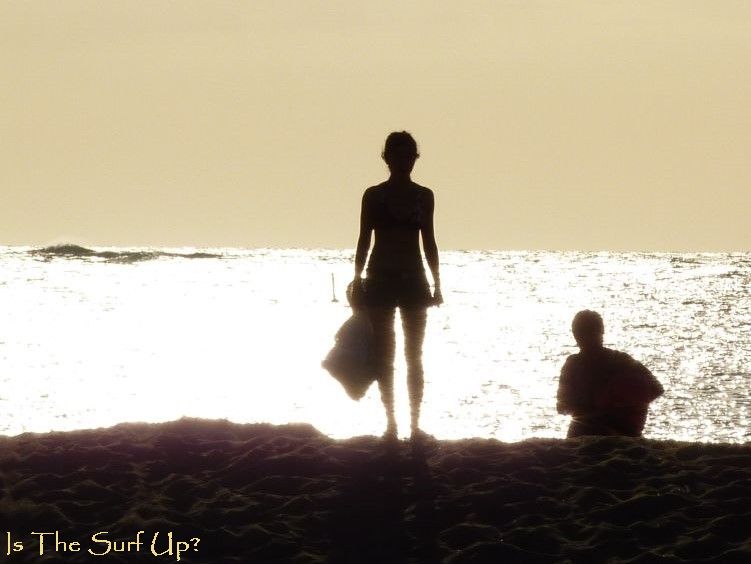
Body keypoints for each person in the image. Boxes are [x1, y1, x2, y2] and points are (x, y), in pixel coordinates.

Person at [353, 131, 442, 440]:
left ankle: (415, 424)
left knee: (414, 355)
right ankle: (391, 423)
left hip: (414, 281)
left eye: (408, 157)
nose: (404, 163)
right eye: (398, 157)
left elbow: (429, 240)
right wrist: (356, 278)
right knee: (384, 354)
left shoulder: (424, 195)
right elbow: (364, 239)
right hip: (379, 279)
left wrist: (437, 282)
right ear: (387, 159)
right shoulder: (373, 196)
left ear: (414, 159)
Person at [556, 310, 664, 438]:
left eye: (587, 332)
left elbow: (562, 407)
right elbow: (656, 389)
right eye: (583, 333)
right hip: (607, 431)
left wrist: (616, 405)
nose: (585, 338)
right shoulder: (621, 360)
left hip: (597, 431)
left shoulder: (575, 365)